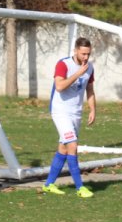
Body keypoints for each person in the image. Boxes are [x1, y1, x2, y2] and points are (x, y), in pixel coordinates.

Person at [41, 37, 97, 198]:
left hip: (76, 112)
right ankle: (80, 188)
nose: (86, 57)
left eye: (88, 54)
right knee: (72, 145)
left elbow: (90, 90)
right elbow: (59, 86)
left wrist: (92, 109)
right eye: (83, 53)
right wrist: (78, 73)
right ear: (75, 51)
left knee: (64, 148)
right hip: (60, 111)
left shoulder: (90, 67)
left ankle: (49, 184)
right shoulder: (63, 64)